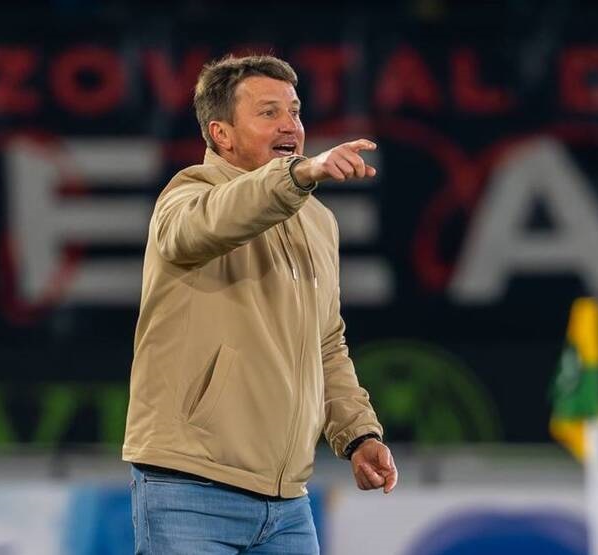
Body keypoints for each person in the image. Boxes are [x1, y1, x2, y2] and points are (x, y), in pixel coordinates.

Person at [122, 54, 397, 554]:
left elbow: (326, 344)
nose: (290, 125)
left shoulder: (318, 222)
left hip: (288, 503)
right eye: (269, 112)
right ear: (221, 134)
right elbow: (202, 228)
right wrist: (298, 175)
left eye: (295, 111)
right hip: (189, 488)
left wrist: (358, 434)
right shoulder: (187, 196)